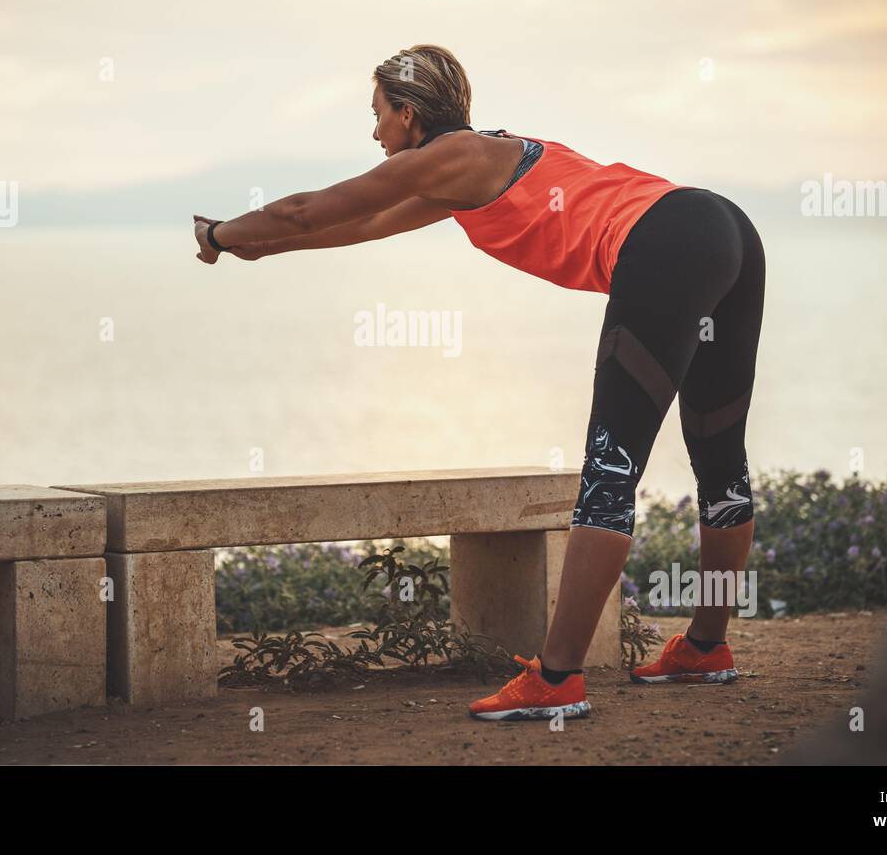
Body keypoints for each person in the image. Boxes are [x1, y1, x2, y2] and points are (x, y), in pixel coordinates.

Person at [193, 44, 766, 721]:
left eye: (378, 115)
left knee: (610, 468)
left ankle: (557, 680)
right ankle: (705, 648)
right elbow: (355, 224)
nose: (374, 133)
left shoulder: (447, 158)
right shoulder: (474, 163)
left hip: (664, 245)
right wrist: (247, 245)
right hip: (722, 229)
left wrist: (222, 231)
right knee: (719, 455)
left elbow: (306, 210)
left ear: (408, 115)